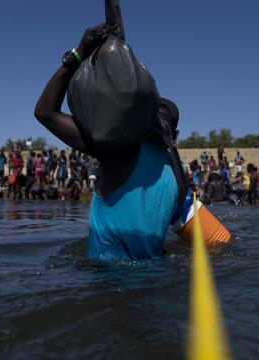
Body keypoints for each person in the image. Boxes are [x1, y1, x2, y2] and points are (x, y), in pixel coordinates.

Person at [34, 24, 180, 260]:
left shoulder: (119, 150)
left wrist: (78, 54)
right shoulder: (177, 176)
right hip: (154, 281)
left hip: (106, 284)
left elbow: (45, 112)